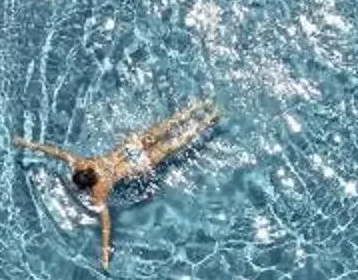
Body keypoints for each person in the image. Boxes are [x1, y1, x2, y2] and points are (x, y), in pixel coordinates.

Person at [15, 99, 222, 268]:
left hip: (140, 163)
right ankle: (199, 105)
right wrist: (28, 143)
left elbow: (106, 224)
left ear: (86, 185)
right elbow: (56, 152)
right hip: (132, 146)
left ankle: (209, 119)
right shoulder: (83, 162)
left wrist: (105, 253)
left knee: (173, 144)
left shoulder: (100, 190)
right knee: (167, 125)